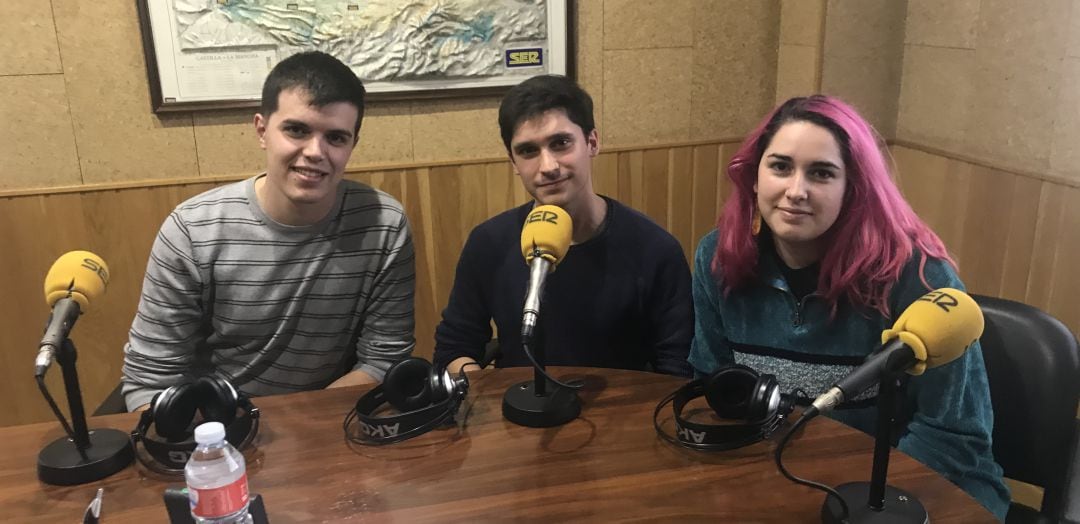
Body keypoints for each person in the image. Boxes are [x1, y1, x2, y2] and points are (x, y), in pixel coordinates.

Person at [688, 95, 1009, 519]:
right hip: (793, 482)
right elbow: (714, 388)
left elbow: (953, 435)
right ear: (754, 176)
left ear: (853, 189)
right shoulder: (718, 258)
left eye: (821, 173)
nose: (795, 191)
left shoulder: (918, 275)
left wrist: (852, 501)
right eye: (780, 166)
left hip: (918, 491)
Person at [121, 51, 415, 411]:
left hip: (329, 421)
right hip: (216, 427)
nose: (315, 152)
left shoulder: (383, 223)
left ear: (353, 143)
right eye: (296, 130)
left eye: (336, 138)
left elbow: (383, 358)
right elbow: (149, 382)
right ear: (262, 130)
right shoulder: (192, 231)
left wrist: (299, 428)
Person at [433, 75, 692, 377]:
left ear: (592, 142)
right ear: (514, 162)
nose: (548, 166)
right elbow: (454, 347)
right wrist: (484, 396)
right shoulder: (488, 243)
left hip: (622, 416)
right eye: (528, 151)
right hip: (516, 412)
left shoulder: (655, 248)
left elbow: (677, 365)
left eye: (561, 143)